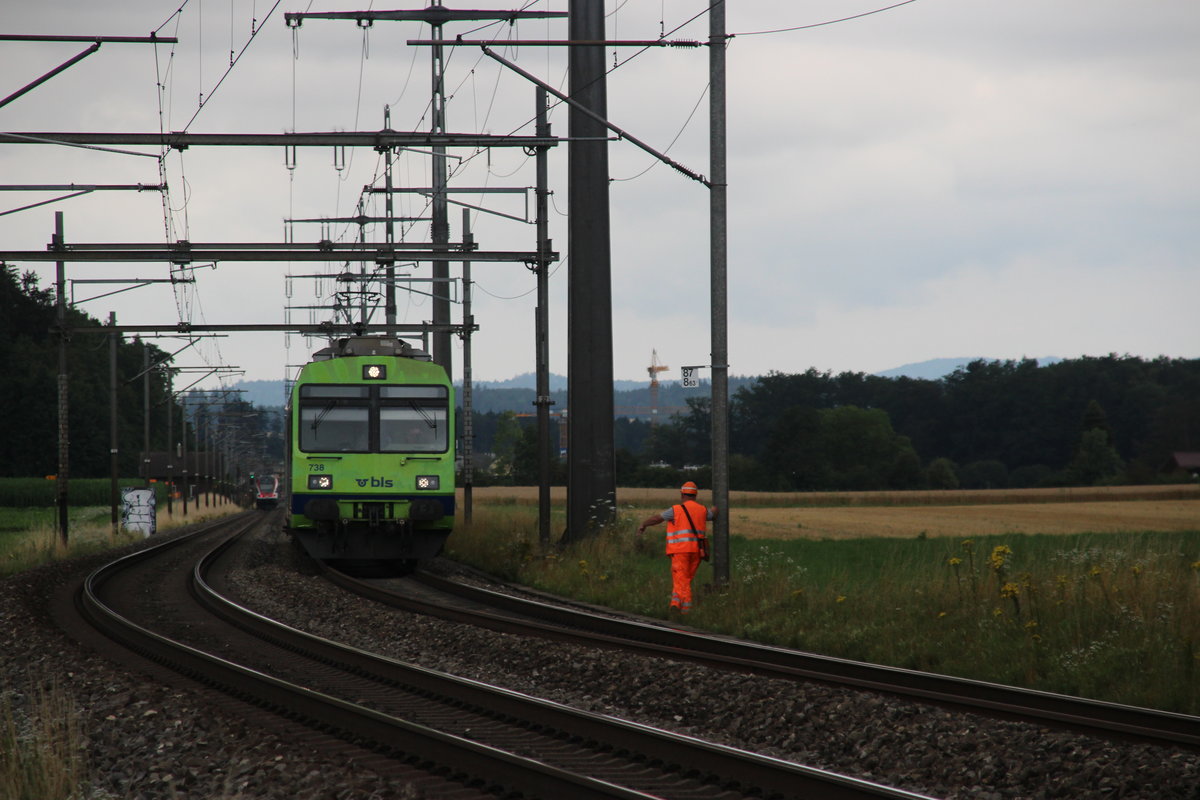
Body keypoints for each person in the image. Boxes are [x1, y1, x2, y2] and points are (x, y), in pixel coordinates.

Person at [636, 481, 719, 616]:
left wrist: (644, 524)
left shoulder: (676, 510)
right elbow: (713, 515)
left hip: (680, 551)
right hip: (698, 552)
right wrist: (716, 509)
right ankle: (675, 604)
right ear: (695, 495)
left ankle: (686, 611)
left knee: (682, 580)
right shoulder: (703, 510)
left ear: (682, 494)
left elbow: (658, 518)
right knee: (683, 579)